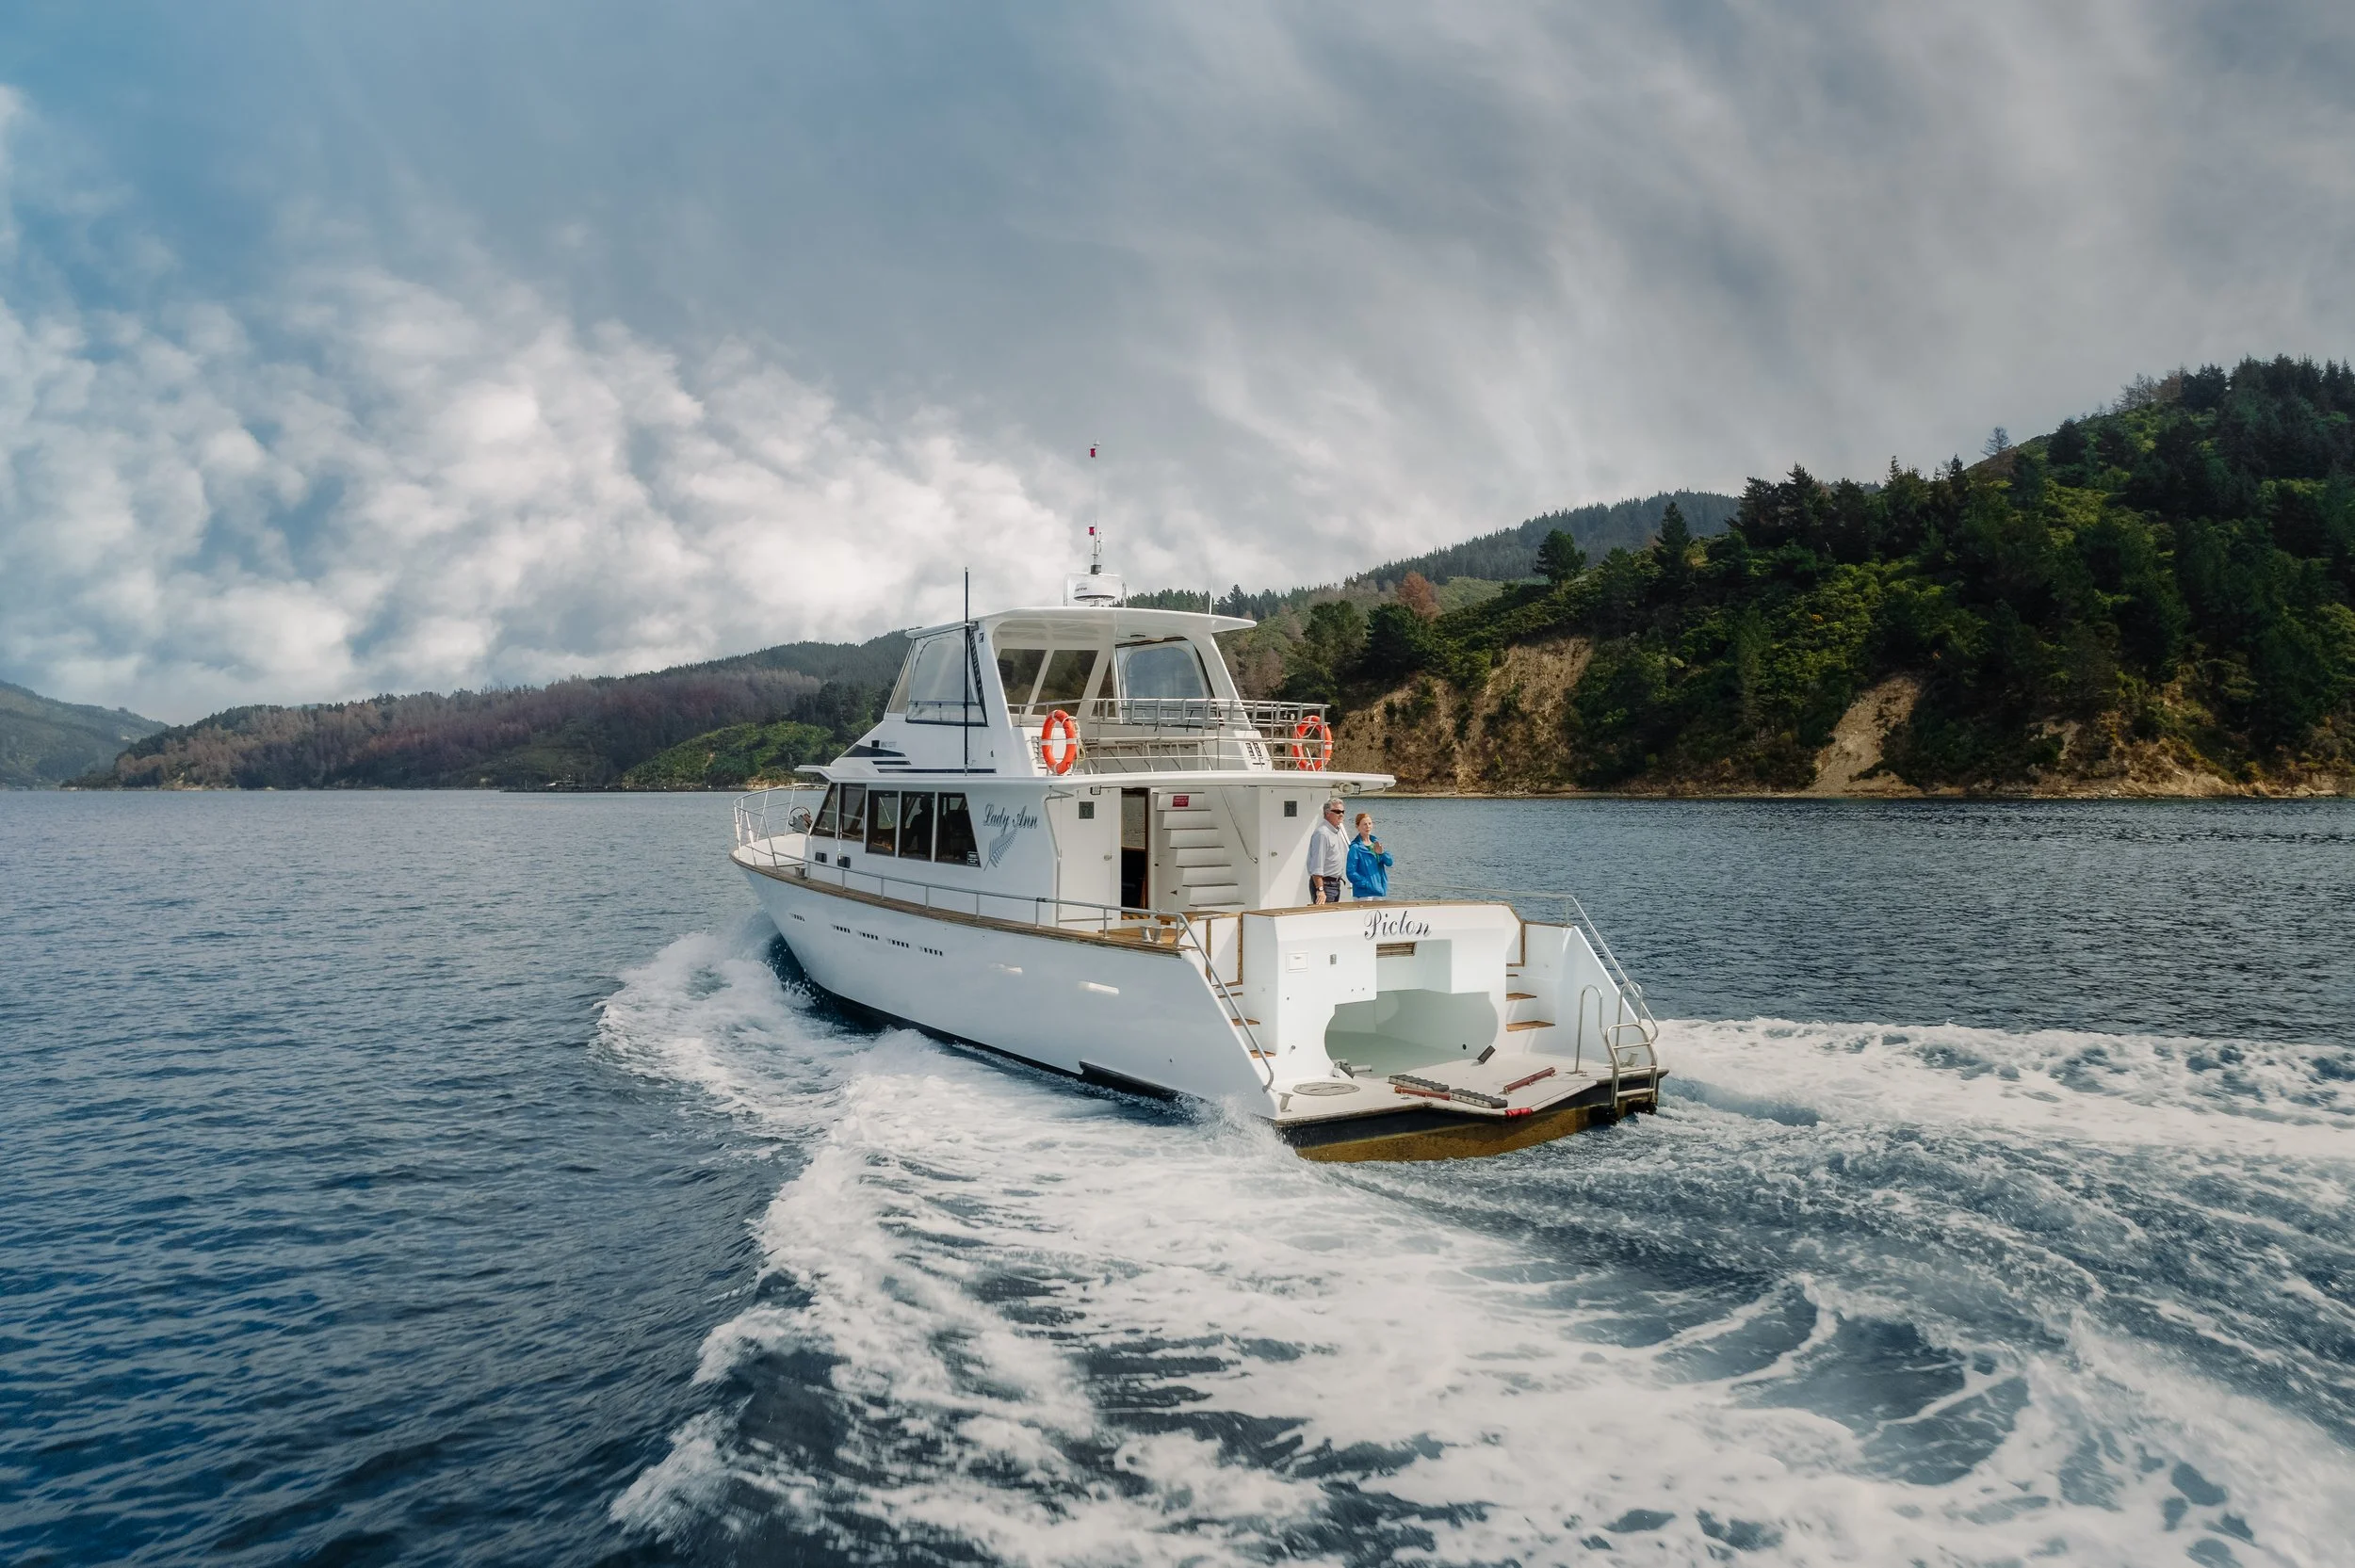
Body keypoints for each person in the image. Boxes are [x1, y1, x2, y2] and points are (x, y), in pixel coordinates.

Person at [1307, 797, 1349, 903]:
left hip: (1335, 885)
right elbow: (1316, 865)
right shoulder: (1322, 834)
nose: (1341, 814)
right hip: (1325, 886)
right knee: (1323, 918)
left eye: (1343, 811)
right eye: (1337, 811)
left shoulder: (1336, 831)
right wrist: (1320, 890)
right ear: (1327, 813)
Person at [1346, 811, 1391, 899]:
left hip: (1379, 891)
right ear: (1357, 827)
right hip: (1364, 894)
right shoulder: (1355, 848)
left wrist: (1382, 853)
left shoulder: (1376, 843)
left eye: (1369, 823)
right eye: (1364, 824)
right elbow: (1351, 872)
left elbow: (1389, 862)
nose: (1368, 827)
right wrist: (1366, 884)